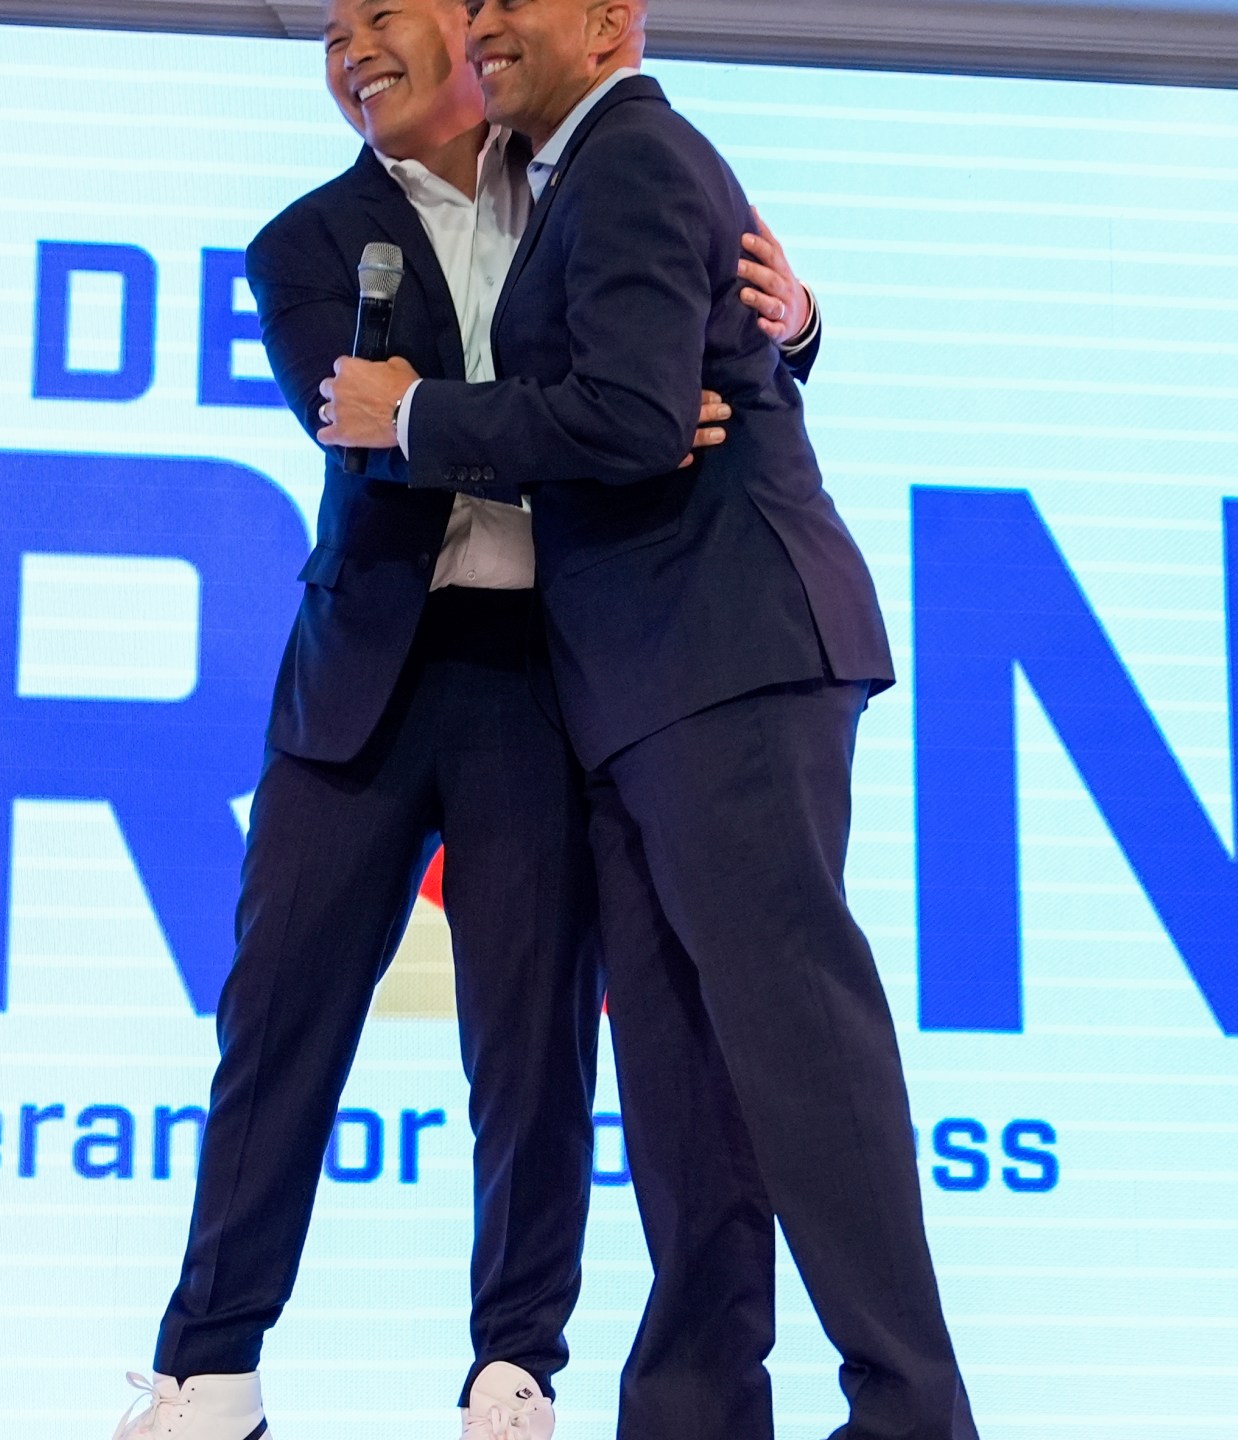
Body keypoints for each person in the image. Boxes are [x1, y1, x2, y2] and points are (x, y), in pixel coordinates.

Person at [113, 1, 822, 1436]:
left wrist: (797, 327)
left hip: (536, 669)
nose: (352, 45)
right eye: (330, 29)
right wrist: (607, 421)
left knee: (532, 1033)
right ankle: (209, 1369)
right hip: (363, 679)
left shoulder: (585, 167)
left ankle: (515, 1371)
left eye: (385, 12)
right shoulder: (306, 241)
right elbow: (370, 440)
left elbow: (694, 320)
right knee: (278, 1020)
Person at [316, 1, 980, 1437]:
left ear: (613, 21)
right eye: (472, 2)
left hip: (725, 653)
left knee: (798, 1042)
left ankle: (911, 1410)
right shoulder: (582, 176)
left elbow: (627, 416)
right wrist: (755, 347)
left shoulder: (630, 158)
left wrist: (417, 417)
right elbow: (642, 397)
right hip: (636, 689)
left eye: (512, 1)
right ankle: (691, 1404)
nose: (484, 24)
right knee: (681, 1072)